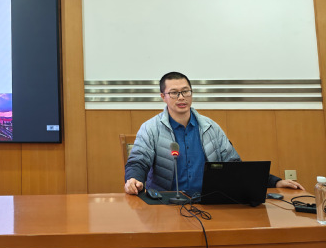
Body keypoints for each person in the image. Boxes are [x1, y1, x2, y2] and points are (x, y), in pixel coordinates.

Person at [124, 71, 304, 195]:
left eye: (185, 91)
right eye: (174, 93)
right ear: (163, 96)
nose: (181, 97)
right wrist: (134, 179)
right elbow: (138, 160)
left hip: (208, 201)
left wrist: (274, 181)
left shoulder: (210, 127)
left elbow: (234, 166)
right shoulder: (151, 128)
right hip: (165, 203)